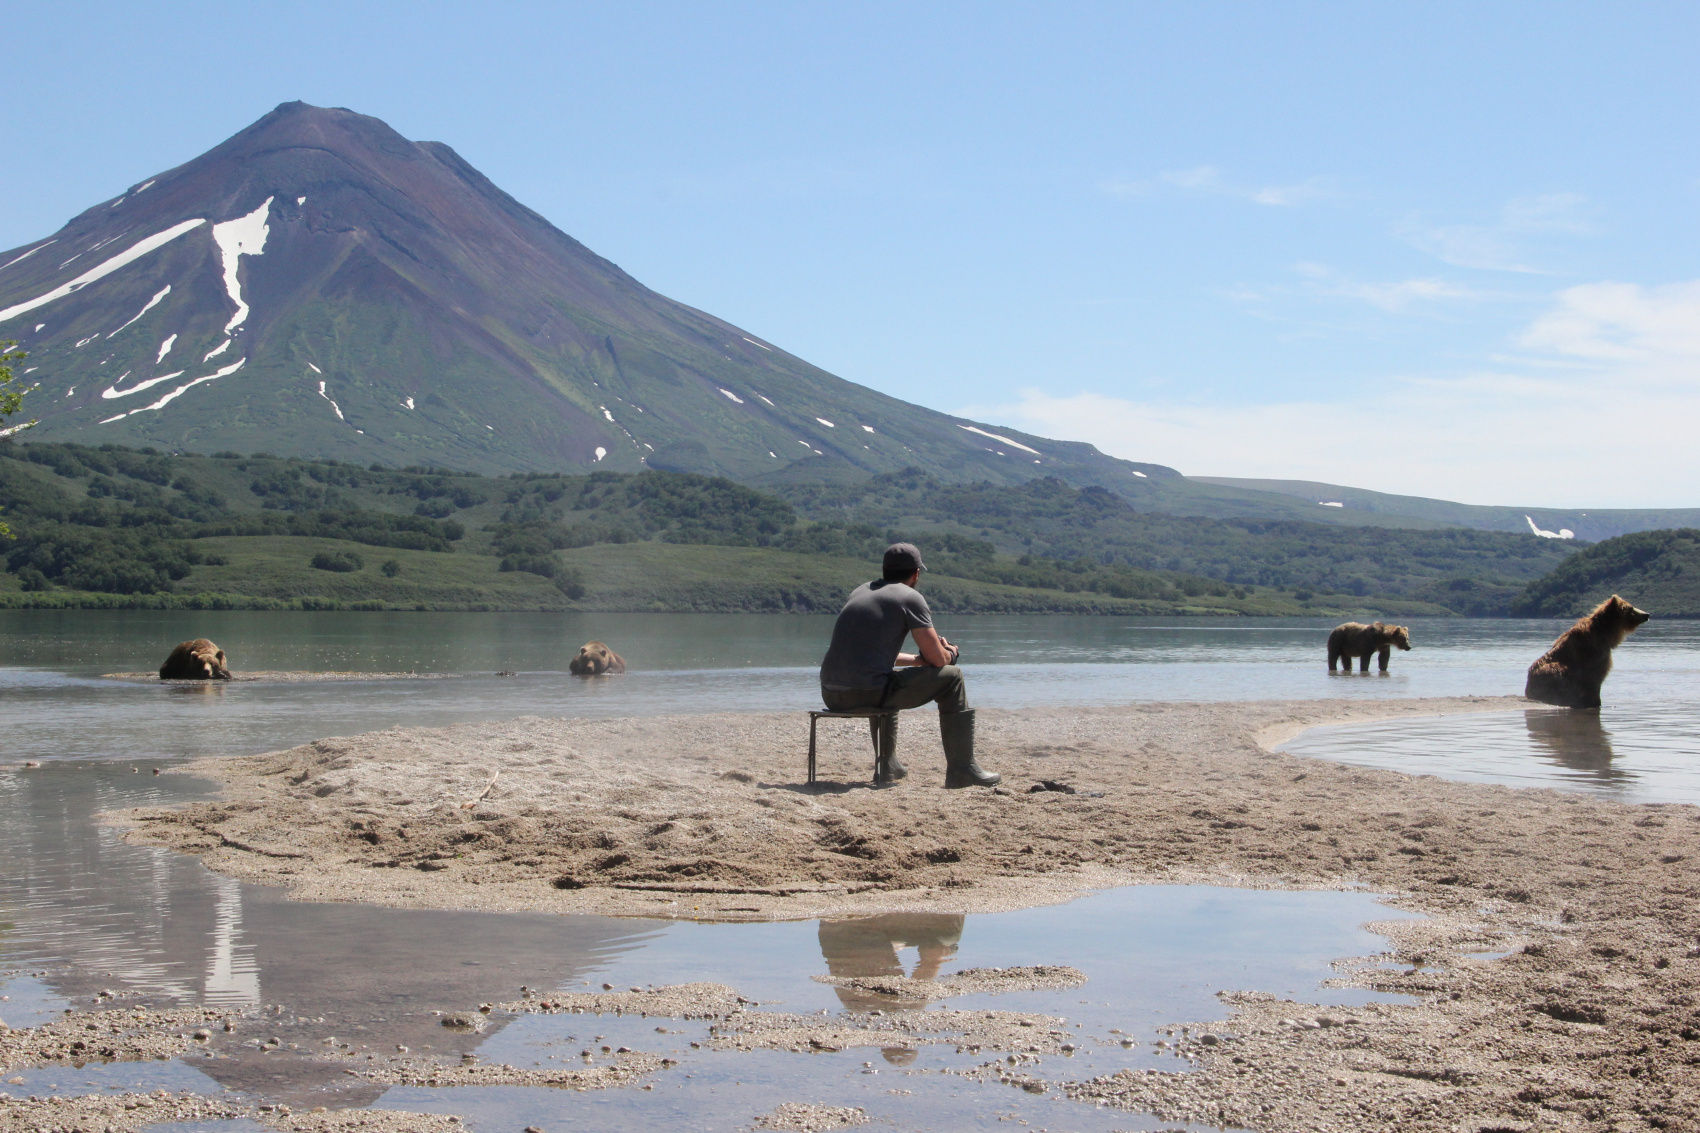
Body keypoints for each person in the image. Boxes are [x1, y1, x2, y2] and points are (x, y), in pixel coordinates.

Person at [818, 542, 1000, 788]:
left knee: (885, 676)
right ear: (916, 573)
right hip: (868, 693)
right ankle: (962, 770)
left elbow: (868, 655)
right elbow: (938, 660)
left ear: (884, 570)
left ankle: (888, 764)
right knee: (952, 677)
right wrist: (951, 652)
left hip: (831, 694)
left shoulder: (860, 591)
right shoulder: (910, 598)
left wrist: (916, 660)